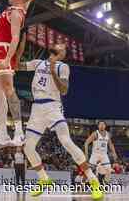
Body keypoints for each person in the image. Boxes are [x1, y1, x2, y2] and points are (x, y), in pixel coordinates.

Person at [0, 0, 65, 151]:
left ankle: (19, 132)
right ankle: (3, 134)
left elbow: (14, 38)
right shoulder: (21, 5)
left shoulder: (16, 13)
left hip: (4, 51)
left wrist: (8, 58)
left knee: (8, 90)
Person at [18, 44, 103, 200]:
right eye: (57, 46)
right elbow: (18, 66)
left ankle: (93, 181)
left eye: (62, 48)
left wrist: (52, 71)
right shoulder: (37, 63)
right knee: (28, 148)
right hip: (36, 107)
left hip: (53, 106)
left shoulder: (63, 67)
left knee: (66, 141)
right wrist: (17, 49)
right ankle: (43, 178)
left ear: (63, 54)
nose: (58, 48)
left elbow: (64, 90)